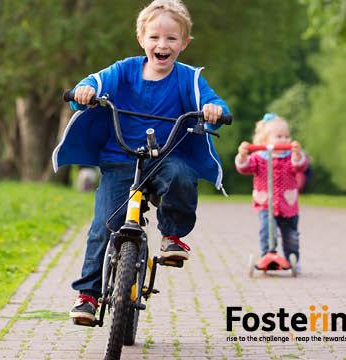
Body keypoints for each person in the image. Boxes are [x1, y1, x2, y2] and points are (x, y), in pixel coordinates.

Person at [51, 0, 231, 326]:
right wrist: (86, 90)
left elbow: (212, 102)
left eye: (172, 39)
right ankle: (88, 295)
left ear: (184, 43)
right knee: (103, 225)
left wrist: (214, 111)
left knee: (181, 176)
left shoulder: (188, 78)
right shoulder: (124, 70)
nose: (162, 45)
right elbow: (95, 81)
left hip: (165, 158)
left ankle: (173, 236)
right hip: (120, 160)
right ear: (141, 39)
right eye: (155, 37)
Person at [235, 113, 307, 270]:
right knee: (267, 230)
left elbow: (299, 166)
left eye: (287, 136)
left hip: (288, 205)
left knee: (291, 236)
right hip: (266, 203)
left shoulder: (289, 158)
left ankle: (293, 257)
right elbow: (244, 168)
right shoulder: (258, 158)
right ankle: (268, 254)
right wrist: (242, 155)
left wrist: (297, 154)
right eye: (279, 136)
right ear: (264, 140)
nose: (284, 140)